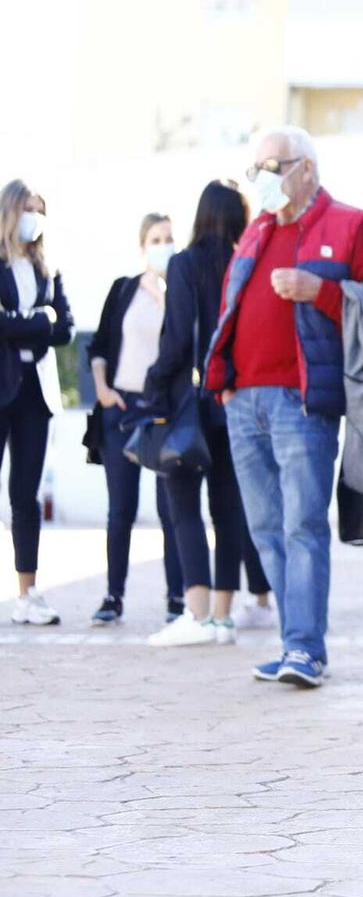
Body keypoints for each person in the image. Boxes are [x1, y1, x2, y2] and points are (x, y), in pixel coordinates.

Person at [204, 127, 363, 688]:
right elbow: (230, 305)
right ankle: (294, 644)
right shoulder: (256, 229)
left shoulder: (350, 225)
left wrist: (322, 290)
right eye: (255, 168)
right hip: (244, 401)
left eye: (273, 165)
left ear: (306, 168)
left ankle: (306, 649)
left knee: (302, 525)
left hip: (302, 403)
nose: (262, 178)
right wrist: (225, 385)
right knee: (265, 527)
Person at [146, 181, 274, 648]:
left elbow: (178, 339)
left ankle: (196, 615)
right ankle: (222, 617)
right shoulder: (250, 262)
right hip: (236, 401)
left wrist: (155, 384)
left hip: (189, 405)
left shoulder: (184, 264)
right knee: (228, 509)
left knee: (183, 506)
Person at [86, 213, 184, 626]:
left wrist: (168, 297)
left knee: (171, 509)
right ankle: (114, 595)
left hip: (162, 411)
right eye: (155, 239)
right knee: (120, 508)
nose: (163, 245)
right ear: (142, 246)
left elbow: (184, 348)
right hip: (121, 410)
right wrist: (104, 391)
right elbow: (100, 344)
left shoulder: (181, 292)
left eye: (168, 238)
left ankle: (178, 596)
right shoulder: (123, 289)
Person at [0, 181, 74, 625]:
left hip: (35, 390)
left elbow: (64, 327)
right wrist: (37, 321)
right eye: (27, 208)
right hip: (1, 384)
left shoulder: (50, 269)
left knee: (25, 494)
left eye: (39, 209)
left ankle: (28, 593)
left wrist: (25, 323)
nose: (33, 216)